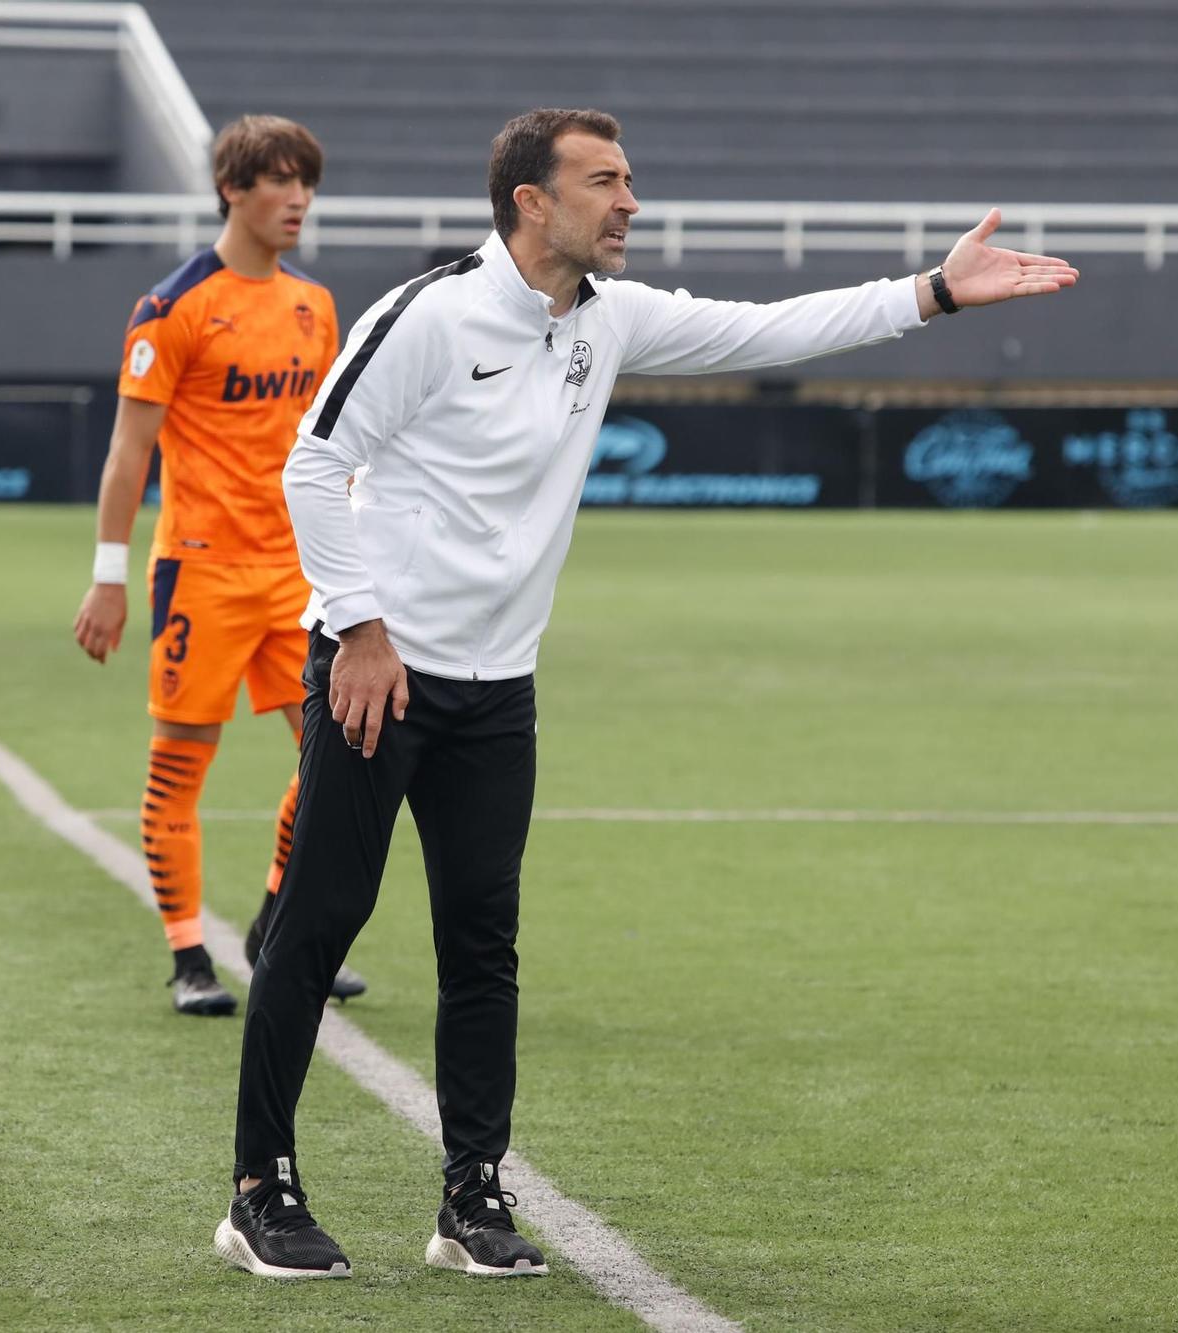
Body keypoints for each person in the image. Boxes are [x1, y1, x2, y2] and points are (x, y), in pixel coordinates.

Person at [216, 107, 1079, 1280]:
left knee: (483, 949)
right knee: (314, 929)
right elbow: (311, 460)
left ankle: (469, 1196)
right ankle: (259, 1191)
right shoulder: (429, 313)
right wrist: (361, 630)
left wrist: (930, 290)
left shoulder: (608, 318)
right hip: (380, 675)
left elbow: (768, 326)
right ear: (530, 200)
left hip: (498, 689)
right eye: (604, 181)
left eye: (628, 180)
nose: (629, 201)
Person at [72, 116, 367, 1016]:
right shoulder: (173, 308)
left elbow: (337, 445)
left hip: (296, 573)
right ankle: (188, 954)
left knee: (334, 753)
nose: (298, 199)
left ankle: (275, 918)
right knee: (180, 767)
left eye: (307, 183)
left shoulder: (315, 308)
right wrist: (109, 573)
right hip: (198, 570)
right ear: (233, 189)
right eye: (280, 181)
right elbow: (129, 454)